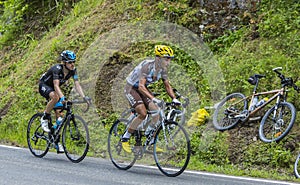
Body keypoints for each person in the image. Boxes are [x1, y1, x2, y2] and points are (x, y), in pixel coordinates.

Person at [122, 45, 181, 153]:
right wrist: (154, 98)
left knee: (157, 112)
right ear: (158, 58)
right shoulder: (147, 66)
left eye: (170, 59)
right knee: (143, 113)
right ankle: (125, 137)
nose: (168, 62)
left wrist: (174, 98)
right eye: (166, 59)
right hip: (131, 88)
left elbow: (167, 86)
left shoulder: (163, 70)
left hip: (142, 89)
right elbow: (140, 86)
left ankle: (150, 141)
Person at [39, 50, 91, 153]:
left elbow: (77, 85)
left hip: (55, 90)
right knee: (55, 97)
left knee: (60, 116)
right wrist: (63, 98)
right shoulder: (57, 69)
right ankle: (44, 117)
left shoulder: (73, 70)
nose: (72, 64)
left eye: (73, 62)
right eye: (70, 62)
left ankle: (56, 141)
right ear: (64, 63)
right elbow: (56, 86)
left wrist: (84, 97)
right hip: (44, 85)